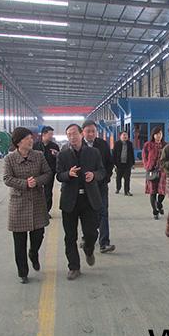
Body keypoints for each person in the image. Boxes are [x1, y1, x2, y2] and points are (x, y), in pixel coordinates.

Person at [3, 127, 53, 284]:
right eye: (27, 138)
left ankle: (33, 252)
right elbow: (7, 178)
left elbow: (48, 173)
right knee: (19, 241)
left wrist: (36, 181)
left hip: (37, 201)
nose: (31, 141)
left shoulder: (38, 156)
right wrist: (25, 183)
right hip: (18, 203)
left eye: (31, 138)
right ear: (18, 142)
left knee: (38, 234)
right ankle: (22, 272)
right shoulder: (10, 159)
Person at [56, 124, 105, 280]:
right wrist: (68, 174)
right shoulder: (63, 155)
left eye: (74, 133)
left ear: (81, 134)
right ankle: (74, 267)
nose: (72, 137)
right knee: (70, 236)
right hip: (70, 200)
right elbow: (58, 175)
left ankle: (89, 250)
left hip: (89, 199)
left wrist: (94, 175)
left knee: (91, 233)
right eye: (69, 134)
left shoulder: (93, 152)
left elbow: (102, 171)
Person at [82, 120, 116, 253]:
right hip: (84, 187)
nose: (91, 134)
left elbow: (109, 162)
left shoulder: (102, 144)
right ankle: (86, 238)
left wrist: (106, 178)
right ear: (83, 132)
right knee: (86, 213)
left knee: (103, 212)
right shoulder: (78, 145)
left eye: (93, 131)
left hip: (100, 185)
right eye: (88, 131)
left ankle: (104, 242)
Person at [33, 126, 60, 218]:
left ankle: (46, 211)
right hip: (37, 173)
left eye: (52, 134)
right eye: (50, 134)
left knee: (48, 193)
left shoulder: (54, 146)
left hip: (49, 173)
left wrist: (56, 155)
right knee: (37, 192)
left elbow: (59, 160)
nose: (52, 136)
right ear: (44, 134)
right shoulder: (35, 146)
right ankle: (36, 211)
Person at [142, 126, 167, 220]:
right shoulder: (148, 145)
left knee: (162, 192)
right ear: (153, 135)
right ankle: (155, 211)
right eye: (156, 134)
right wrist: (147, 166)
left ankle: (159, 204)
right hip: (151, 171)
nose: (158, 136)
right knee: (153, 192)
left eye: (160, 133)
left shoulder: (166, 145)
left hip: (163, 171)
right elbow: (144, 157)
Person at [112, 131, 135, 196]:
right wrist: (114, 163)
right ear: (120, 136)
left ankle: (127, 191)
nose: (125, 136)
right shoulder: (117, 144)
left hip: (127, 164)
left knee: (127, 178)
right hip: (119, 164)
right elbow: (114, 154)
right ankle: (118, 188)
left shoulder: (130, 144)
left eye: (126, 135)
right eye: (124, 135)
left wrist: (133, 163)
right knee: (118, 178)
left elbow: (132, 154)